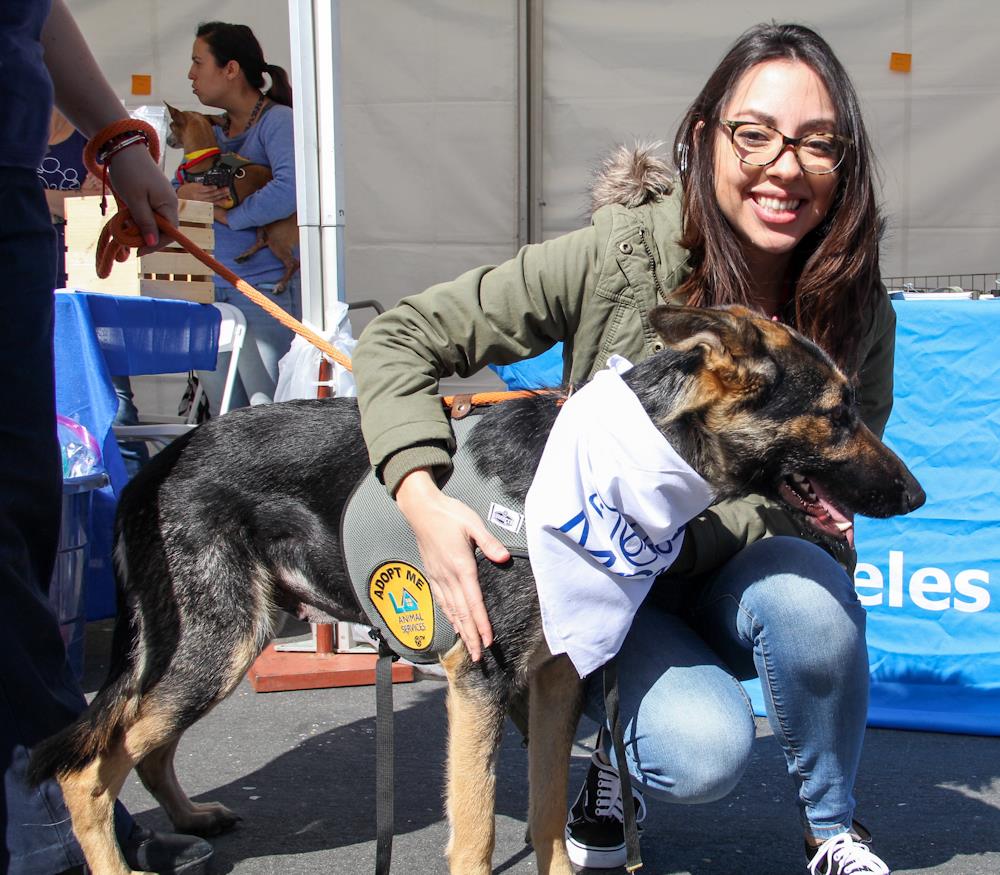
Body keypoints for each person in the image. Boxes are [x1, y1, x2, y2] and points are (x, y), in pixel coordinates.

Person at [354, 22, 896, 875]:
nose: (784, 166)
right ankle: (613, 762)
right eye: (754, 133)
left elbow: (823, 489)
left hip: (722, 568)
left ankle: (832, 830)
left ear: (845, 162)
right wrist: (420, 495)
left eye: (818, 143)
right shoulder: (617, 254)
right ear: (704, 135)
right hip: (593, 584)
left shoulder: (854, 308)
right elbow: (399, 339)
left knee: (814, 602)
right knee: (701, 749)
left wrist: (673, 527)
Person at [0, 1, 213, 872]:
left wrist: (122, 143)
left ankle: (56, 803)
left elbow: (33, 10)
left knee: (22, 506)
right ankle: (54, 823)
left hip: (11, 194)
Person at [176, 20, 300, 411]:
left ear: (231, 69)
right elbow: (172, 190)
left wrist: (232, 217)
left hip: (261, 288)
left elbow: (291, 187)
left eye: (199, 62)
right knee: (225, 413)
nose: (191, 74)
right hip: (211, 288)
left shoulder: (277, 121)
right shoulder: (208, 128)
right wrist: (183, 193)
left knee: (265, 413)